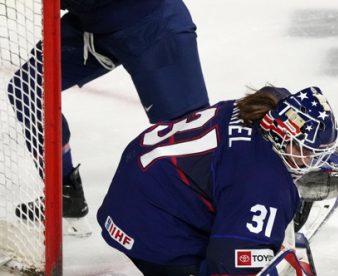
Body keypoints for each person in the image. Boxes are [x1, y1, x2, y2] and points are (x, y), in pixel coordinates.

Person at [53, 85, 338, 276]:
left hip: (144, 189)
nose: (316, 158)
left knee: (285, 218)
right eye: (308, 150)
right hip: (147, 225)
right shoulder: (261, 179)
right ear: (283, 139)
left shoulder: (269, 108)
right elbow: (231, 265)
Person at [8, 0, 209, 232]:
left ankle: (216, 222)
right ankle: (66, 195)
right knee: (29, 89)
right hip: (92, 28)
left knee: (188, 132)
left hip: (152, 26)